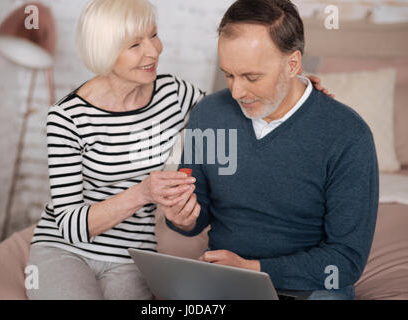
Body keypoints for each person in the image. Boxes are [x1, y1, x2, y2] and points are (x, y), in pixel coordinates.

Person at [26, 0, 330, 300]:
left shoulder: (173, 92)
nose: (154, 50)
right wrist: (143, 193)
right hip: (64, 249)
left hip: (132, 257)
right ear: (105, 51)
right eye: (135, 45)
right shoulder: (67, 117)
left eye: (154, 35)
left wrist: (294, 86)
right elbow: (68, 226)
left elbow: (237, 108)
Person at [164, 0, 379, 300]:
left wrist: (253, 268)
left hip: (311, 288)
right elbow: (196, 212)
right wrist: (182, 219)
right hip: (228, 280)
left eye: (252, 77)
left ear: (292, 64)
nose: (237, 92)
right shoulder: (209, 114)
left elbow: (345, 261)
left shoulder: (348, 135)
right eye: (228, 74)